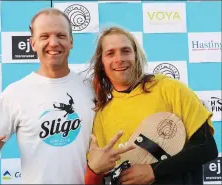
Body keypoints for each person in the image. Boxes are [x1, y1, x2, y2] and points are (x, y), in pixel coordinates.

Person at [0, 8, 96, 184]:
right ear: (33, 43)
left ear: (71, 41)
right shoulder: (15, 93)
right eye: (44, 36)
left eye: (60, 35)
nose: (53, 43)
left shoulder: (91, 88)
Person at [84, 26, 218, 185]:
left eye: (126, 51)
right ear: (101, 62)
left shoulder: (170, 89)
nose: (119, 58)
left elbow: (206, 148)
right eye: (110, 53)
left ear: (136, 56)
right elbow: (101, 172)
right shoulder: (101, 114)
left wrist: (154, 171)